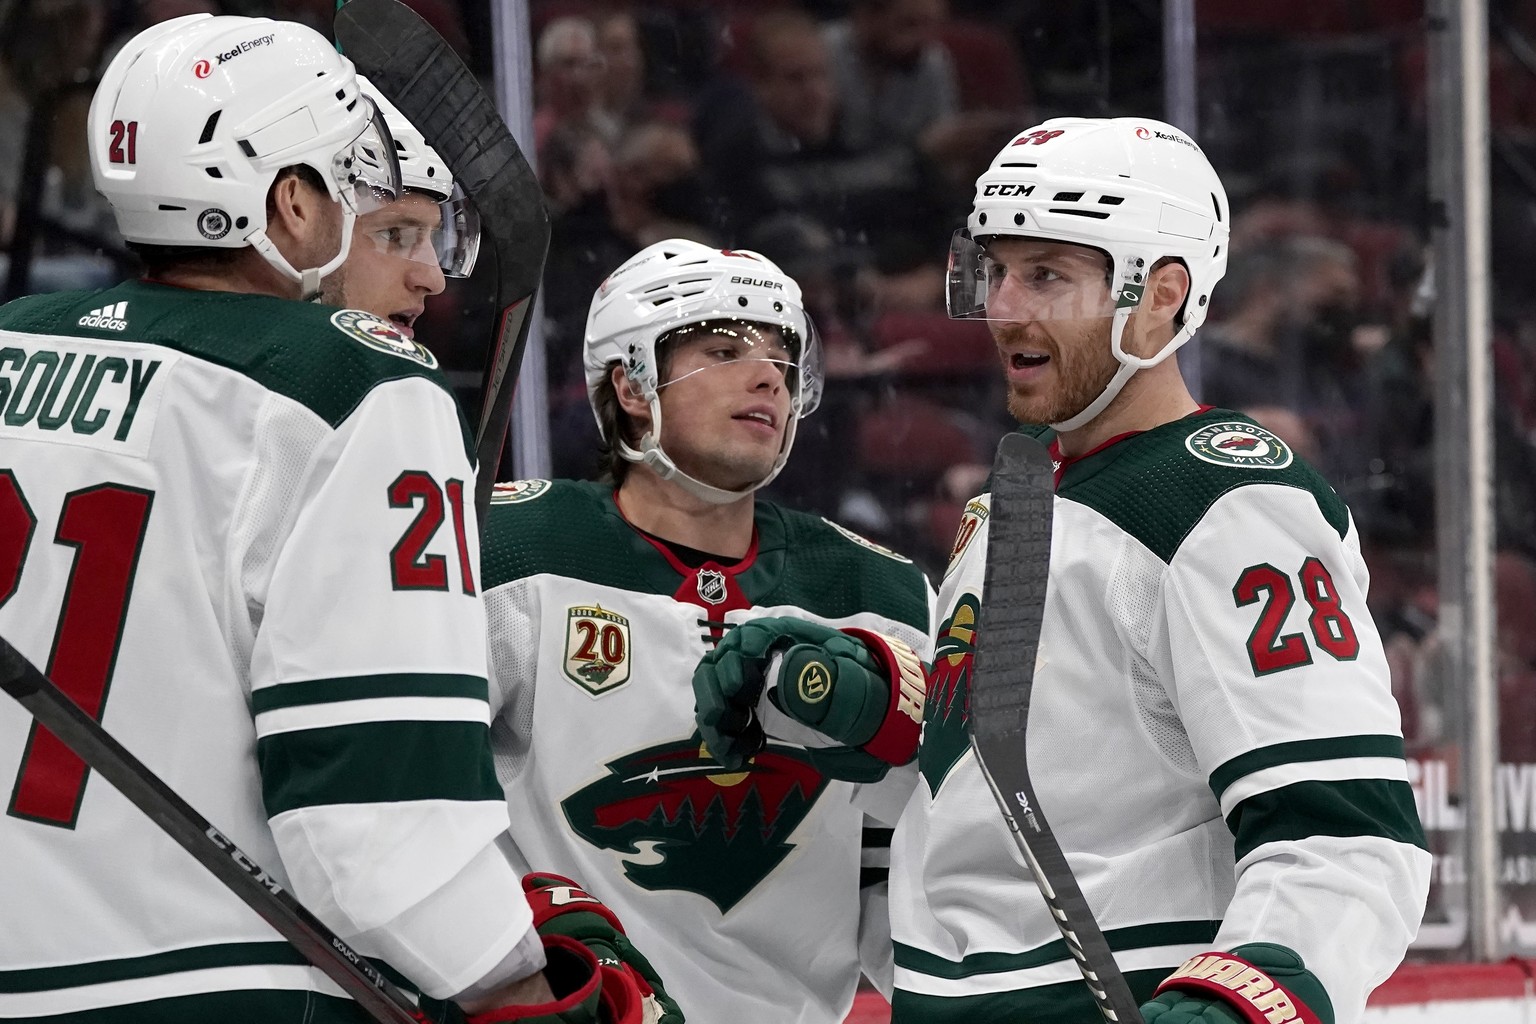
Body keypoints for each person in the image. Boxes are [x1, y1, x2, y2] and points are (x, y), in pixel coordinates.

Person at [694, 117, 1431, 1024]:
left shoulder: (1228, 501)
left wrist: (1250, 999)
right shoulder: (1021, 488)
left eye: (1047, 274)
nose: (1005, 307)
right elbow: (1032, 751)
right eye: (995, 270)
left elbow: (1345, 833)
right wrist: (873, 696)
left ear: (1160, 297)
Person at [0, 15, 655, 1023]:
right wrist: (518, 979)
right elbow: (377, 823)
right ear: (291, 204)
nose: (431, 276)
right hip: (218, 990)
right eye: (379, 219)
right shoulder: (354, 388)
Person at [478, 238, 935, 1024]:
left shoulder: (877, 592)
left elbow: (920, 871)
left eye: (782, 362)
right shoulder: (510, 550)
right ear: (630, 383)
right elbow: (414, 805)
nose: (768, 376)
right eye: (723, 350)